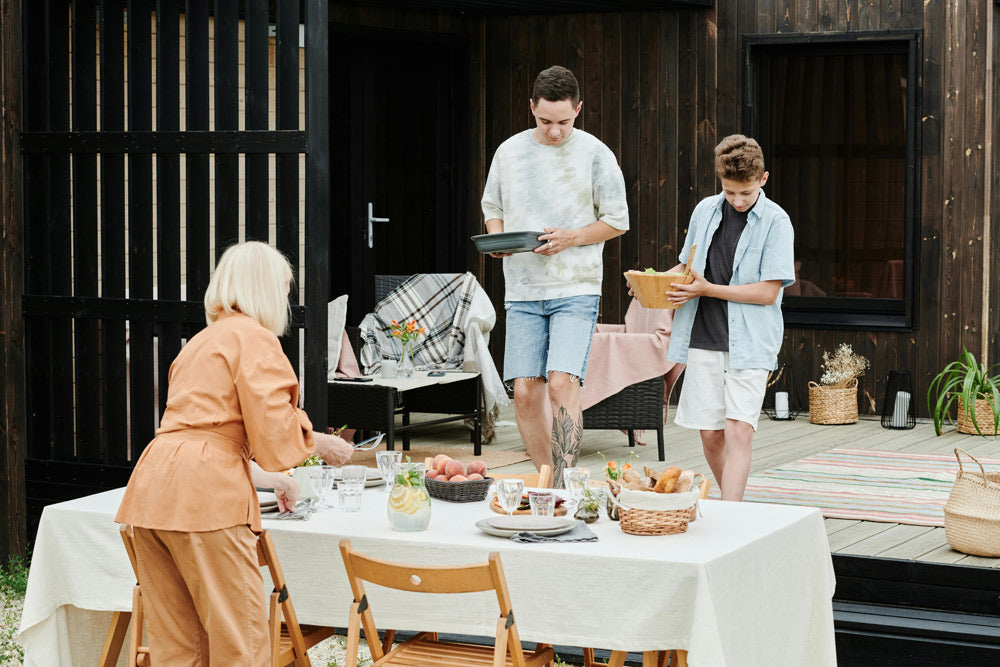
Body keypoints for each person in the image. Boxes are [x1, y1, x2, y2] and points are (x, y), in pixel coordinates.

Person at [115, 241, 354, 665]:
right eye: (284, 290)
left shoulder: (200, 342)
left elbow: (203, 435)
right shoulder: (256, 340)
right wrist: (321, 441)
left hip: (152, 493)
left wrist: (272, 479)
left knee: (179, 647)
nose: (286, 300)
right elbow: (276, 438)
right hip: (206, 502)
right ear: (264, 290)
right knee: (240, 642)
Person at [481, 65, 629, 487]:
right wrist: (499, 239)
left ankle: (564, 484)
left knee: (561, 383)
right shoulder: (509, 152)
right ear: (531, 108)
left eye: (564, 121)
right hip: (523, 288)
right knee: (525, 392)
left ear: (579, 109)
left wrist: (573, 237)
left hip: (576, 286)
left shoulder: (597, 154)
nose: (554, 131)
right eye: (545, 121)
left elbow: (617, 221)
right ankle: (549, 482)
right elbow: (492, 209)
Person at [663, 135, 794, 501]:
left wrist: (708, 289)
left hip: (750, 342)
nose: (737, 200)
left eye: (746, 193)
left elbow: (768, 293)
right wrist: (654, 283)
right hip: (703, 334)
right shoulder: (705, 210)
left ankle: (731, 514)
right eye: (730, 191)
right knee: (710, 432)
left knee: (739, 430)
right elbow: (688, 267)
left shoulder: (777, 222)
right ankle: (734, 506)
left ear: (763, 179)